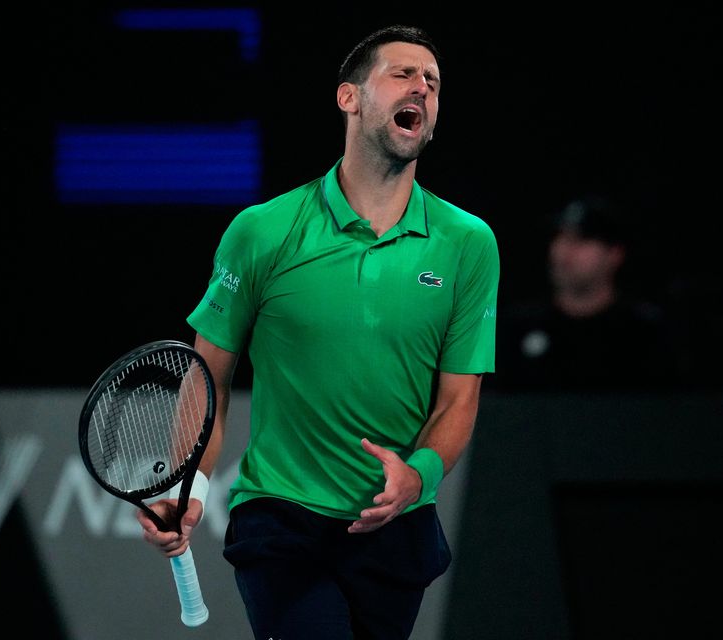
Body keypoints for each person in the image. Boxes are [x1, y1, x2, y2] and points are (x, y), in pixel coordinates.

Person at [135, 25, 499, 639]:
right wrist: (188, 482)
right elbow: (207, 380)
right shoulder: (262, 231)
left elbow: (459, 399)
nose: (423, 87)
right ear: (349, 98)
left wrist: (419, 476)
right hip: (282, 520)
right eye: (403, 74)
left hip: (396, 529)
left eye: (433, 83)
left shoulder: (469, 244)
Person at [491, 194, 673, 392]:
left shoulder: (643, 333)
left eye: (581, 239)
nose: (564, 252)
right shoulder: (516, 328)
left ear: (614, 254)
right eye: (560, 237)